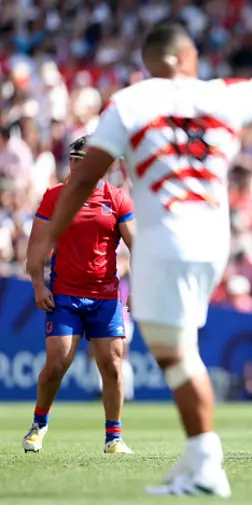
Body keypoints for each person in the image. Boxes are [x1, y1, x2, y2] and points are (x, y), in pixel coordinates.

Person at [25, 19, 252, 497]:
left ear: (152, 62)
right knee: (181, 353)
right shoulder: (222, 95)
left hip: (163, 242)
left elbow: (85, 179)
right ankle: (198, 459)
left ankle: (207, 462)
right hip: (212, 240)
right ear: (186, 57)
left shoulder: (130, 103)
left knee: (177, 357)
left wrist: (45, 243)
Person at [24, 135, 135, 454]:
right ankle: (39, 425)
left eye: (83, 159)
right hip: (65, 295)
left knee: (112, 365)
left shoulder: (116, 199)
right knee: (57, 363)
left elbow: (136, 244)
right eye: (73, 159)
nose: (75, 165)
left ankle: (114, 437)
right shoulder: (55, 196)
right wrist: (37, 284)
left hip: (105, 297)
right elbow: (37, 246)